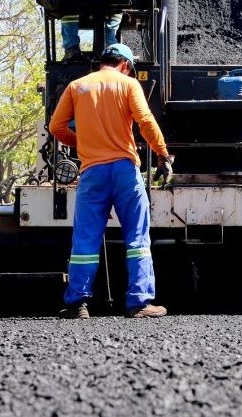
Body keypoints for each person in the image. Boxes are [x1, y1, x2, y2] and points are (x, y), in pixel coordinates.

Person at [49, 43, 173, 319]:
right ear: (125, 65)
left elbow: (56, 127)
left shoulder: (77, 86)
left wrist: (83, 143)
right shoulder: (128, 84)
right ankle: (139, 303)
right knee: (137, 237)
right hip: (124, 172)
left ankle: (77, 304)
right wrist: (162, 154)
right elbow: (145, 121)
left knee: (85, 239)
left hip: (92, 173)